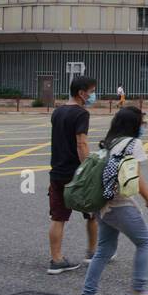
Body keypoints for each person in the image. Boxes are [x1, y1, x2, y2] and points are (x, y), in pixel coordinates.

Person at [72, 107, 148, 295]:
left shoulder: (110, 142)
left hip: (102, 205)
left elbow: (127, 176)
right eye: (142, 122)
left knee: (104, 250)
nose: (144, 126)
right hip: (119, 204)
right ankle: (139, 292)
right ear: (133, 124)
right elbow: (136, 177)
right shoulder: (133, 144)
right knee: (145, 241)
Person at [47, 75, 100, 274]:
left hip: (57, 172)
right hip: (75, 173)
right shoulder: (81, 114)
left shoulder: (58, 111)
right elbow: (81, 143)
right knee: (92, 213)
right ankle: (92, 252)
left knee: (58, 217)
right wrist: (88, 169)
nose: (93, 95)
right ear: (81, 93)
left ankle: (56, 259)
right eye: (92, 91)